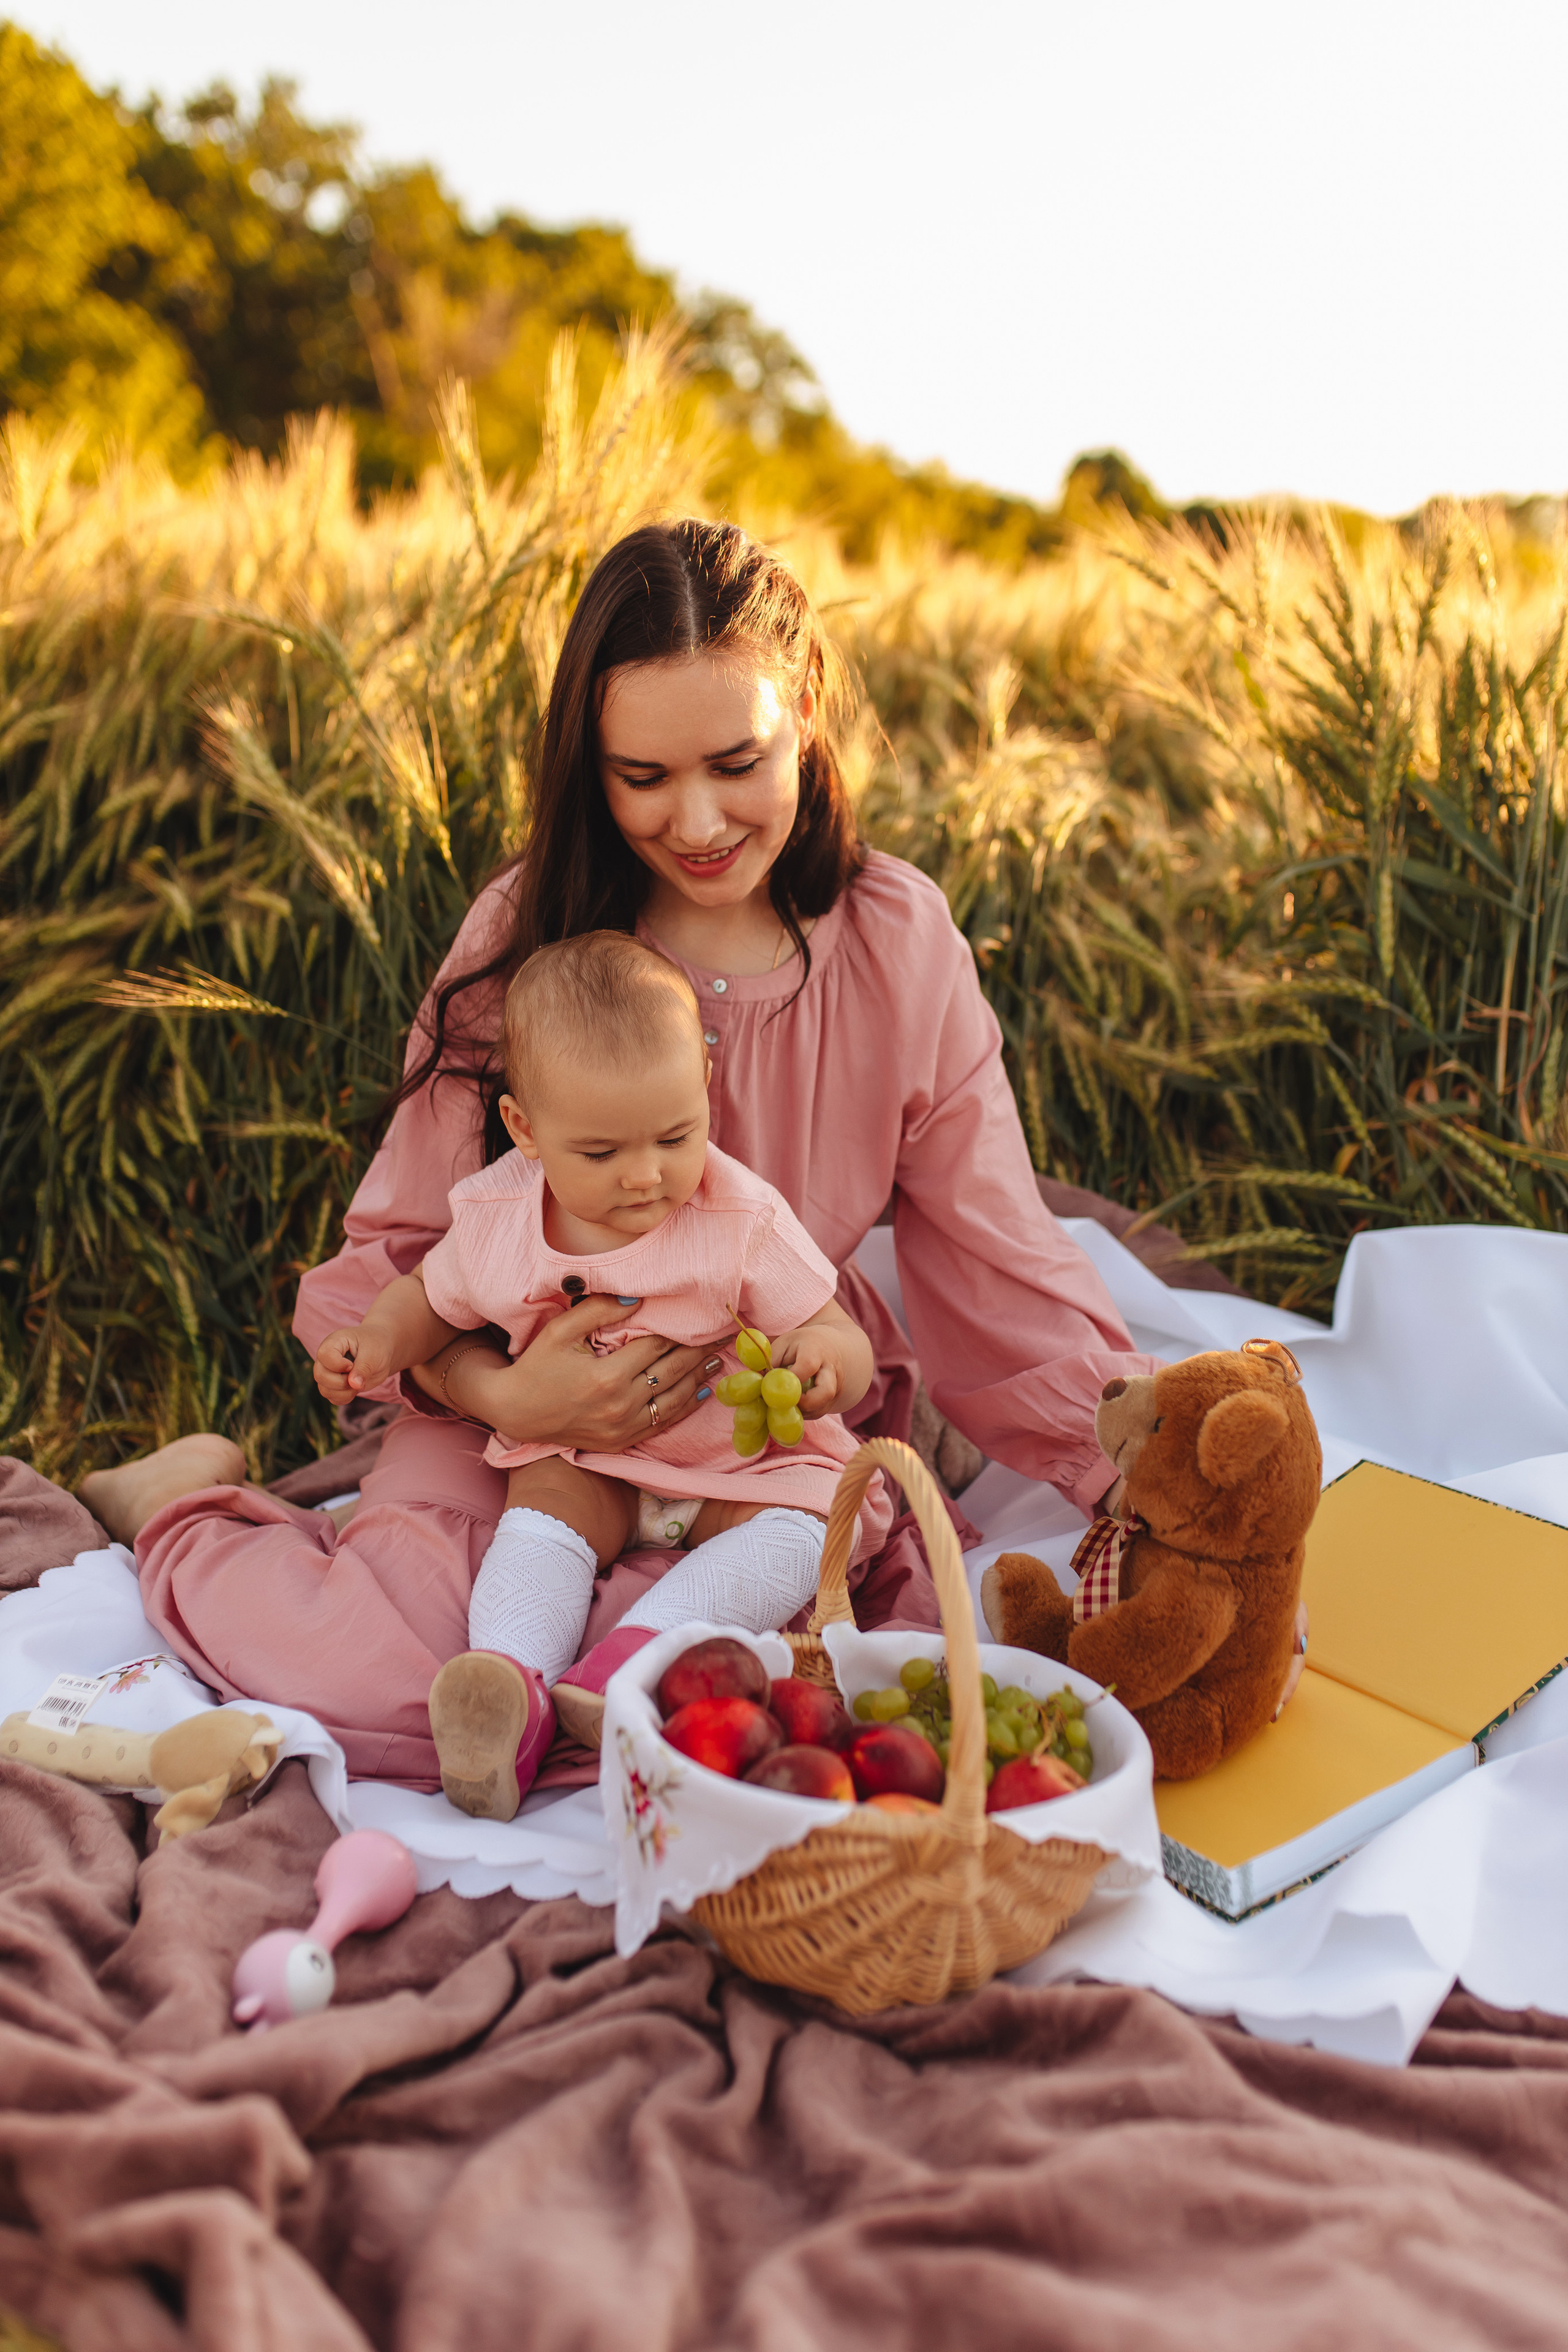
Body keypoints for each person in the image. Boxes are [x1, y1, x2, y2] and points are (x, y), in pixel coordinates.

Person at [84, 518, 1162, 1792]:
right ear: (586, 764)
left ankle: (612, 1649)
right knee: (400, 1706)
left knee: (751, 1706)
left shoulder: (894, 942)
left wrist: (1127, 1456)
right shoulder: (532, 933)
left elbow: (995, 1254)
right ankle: (182, 1505)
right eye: (640, 775)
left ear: (803, 707)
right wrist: (501, 1397)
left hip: (753, 1450)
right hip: (517, 1422)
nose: (696, 821)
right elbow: (410, 1252)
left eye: (736, 761)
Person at [314, 928, 889, 1819]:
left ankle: (638, 1657)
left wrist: (825, 1366)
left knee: (810, 1533)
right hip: (586, 1459)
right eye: (602, 1153)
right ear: (525, 1129)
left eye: (674, 1136)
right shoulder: (502, 1217)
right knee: (537, 1528)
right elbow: (429, 1295)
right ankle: (508, 1690)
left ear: (705, 1084)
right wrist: (377, 1345)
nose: (646, 1177)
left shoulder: (738, 1216)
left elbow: (832, 1329)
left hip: (742, 1468)